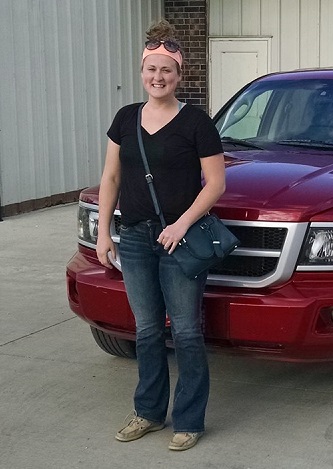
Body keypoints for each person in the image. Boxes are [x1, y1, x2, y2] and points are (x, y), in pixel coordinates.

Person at [95, 19, 225, 451]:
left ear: (179, 75)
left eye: (166, 69)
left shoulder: (197, 122)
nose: (158, 77)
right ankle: (148, 412)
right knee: (147, 330)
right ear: (141, 72)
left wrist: (182, 223)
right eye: (151, 69)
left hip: (180, 239)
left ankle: (189, 420)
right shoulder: (125, 119)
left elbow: (216, 184)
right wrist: (104, 233)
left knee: (186, 331)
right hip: (133, 237)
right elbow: (111, 177)